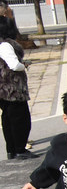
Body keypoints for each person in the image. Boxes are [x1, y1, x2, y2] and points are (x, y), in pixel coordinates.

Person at [0, 16, 33, 160]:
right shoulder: (6, 45)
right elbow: (14, 65)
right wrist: (24, 64)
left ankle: (12, 150)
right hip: (12, 89)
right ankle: (20, 149)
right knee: (20, 119)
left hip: (3, 89)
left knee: (8, 119)